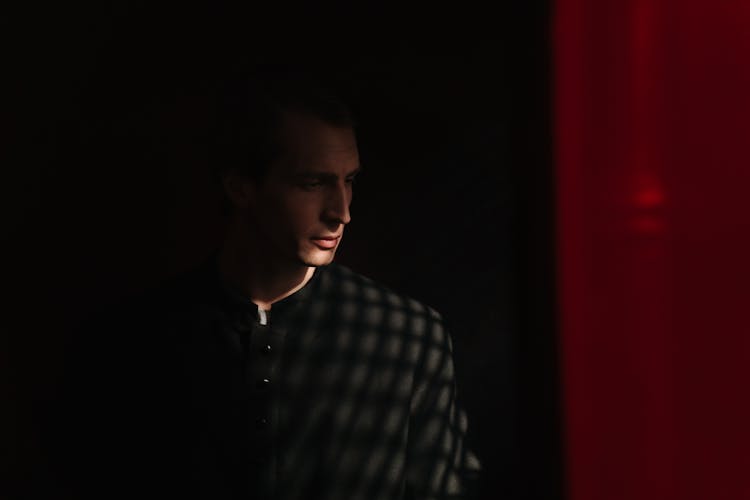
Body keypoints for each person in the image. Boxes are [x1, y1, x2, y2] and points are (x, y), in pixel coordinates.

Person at [57, 67, 480, 500]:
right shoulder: (132, 341)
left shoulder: (408, 336)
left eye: (349, 181)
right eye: (312, 183)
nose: (342, 212)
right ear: (241, 187)